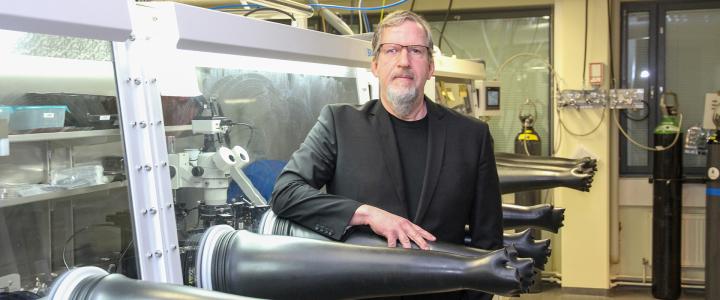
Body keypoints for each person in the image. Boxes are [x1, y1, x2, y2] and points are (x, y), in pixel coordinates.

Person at [271, 10, 502, 300]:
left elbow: (488, 242)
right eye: (392, 50)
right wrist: (365, 213)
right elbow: (285, 193)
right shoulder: (339, 124)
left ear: (430, 66)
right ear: (375, 64)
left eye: (416, 51)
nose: (404, 61)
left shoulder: (472, 136)